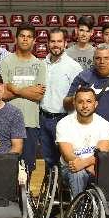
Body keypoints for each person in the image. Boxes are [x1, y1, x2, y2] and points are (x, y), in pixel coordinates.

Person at [1, 23, 46, 179]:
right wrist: (27, 90)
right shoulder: (6, 62)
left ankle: (26, 199)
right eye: (22, 36)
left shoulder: (39, 65)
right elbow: (2, 94)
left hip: (30, 122)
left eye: (29, 37)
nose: (25, 39)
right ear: (16, 38)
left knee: (28, 167)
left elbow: (38, 95)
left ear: (34, 41)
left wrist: (15, 88)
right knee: (8, 164)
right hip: (8, 122)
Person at [56, 87, 109, 197]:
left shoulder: (105, 125)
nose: (85, 106)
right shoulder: (63, 124)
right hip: (70, 167)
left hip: (96, 167)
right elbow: (68, 155)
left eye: (89, 101)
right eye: (80, 102)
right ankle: (79, 212)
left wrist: (84, 164)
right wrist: (85, 166)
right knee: (77, 173)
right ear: (74, 103)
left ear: (95, 104)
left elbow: (102, 155)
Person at [39, 28, 82, 170]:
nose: (55, 45)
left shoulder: (73, 67)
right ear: (47, 43)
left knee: (64, 161)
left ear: (65, 43)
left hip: (64, 119)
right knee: (48, 160)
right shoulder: (41, 64)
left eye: (59, 41)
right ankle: (51, 191)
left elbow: (78, 97)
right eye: (52, 41)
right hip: (43, 119)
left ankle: (65, 192)